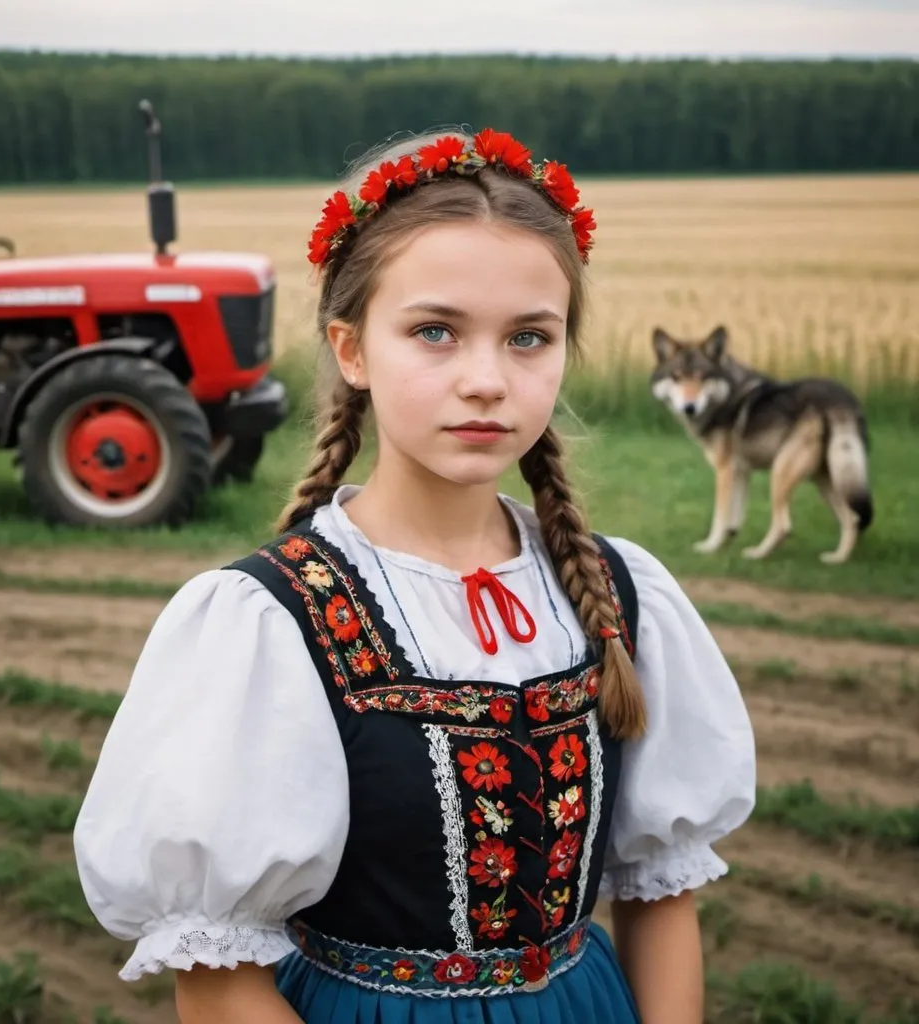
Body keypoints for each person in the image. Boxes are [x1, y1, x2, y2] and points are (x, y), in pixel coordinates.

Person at [73, 127, 756, 1024]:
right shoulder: (272, 622)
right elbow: (216, 979)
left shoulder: (620, 594)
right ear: (352, 350)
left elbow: (660, 895)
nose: (486, 379)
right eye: (435, 331)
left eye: (528, 338)